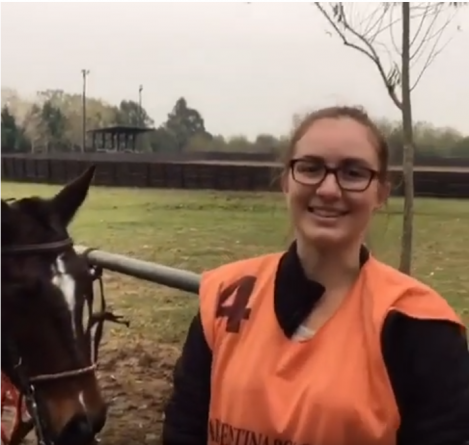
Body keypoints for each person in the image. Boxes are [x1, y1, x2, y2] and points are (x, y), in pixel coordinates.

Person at [162, 106, 469, 445]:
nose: (328, 189)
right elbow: (183, 430)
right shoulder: (227, 297)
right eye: (310, 168)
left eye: (352, 173)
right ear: (286, 182)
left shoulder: (420, 325)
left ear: (380, 192)